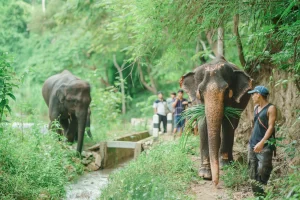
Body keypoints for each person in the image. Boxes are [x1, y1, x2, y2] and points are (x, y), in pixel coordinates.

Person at [247, 86, 277, 196]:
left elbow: (271, 127)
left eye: (253, 94)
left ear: (258, 95)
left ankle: (262, 191)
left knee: (264, 169)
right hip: (252, 144)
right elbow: (254, 125)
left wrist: (262, 142)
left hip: (265, 145)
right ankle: (258, 196)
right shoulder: (255, 107)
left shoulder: (271, 108)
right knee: (252, 171)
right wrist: (251, 140)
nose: (252, 96)